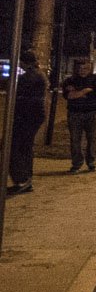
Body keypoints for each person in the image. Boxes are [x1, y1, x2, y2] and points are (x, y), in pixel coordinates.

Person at [7, 50, 47, 195]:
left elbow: (19, 92)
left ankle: (22, 179)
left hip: (27, 116)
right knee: (24, 146)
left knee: (16, 147)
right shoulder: (37, 74)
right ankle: (25, 180)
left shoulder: (30, 76)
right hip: (31, 115)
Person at [63, 58, 96, 173]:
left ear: (90, 68)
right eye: (80, 68)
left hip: (91, 113)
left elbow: (95, 95)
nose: (82, 70)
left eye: (85, 68)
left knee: (92, 139)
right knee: (75, 140)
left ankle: (91, 163)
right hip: (74, 113)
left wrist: (76, 92)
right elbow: (68, 96)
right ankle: (76, 164)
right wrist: (85, 91)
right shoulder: (70, 80)